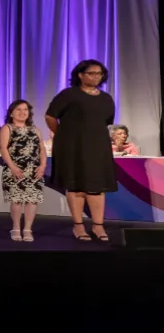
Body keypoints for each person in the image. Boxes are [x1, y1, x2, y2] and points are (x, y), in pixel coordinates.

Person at [46, 60, 117, 242]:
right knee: (76, 185)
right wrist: (63, 135)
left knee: (97, 186)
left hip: (97, 146)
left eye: (99, 73)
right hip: (72, 147)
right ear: (80, 75)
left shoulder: (106, 98)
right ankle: (78, 226)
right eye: (91, 73)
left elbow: (105, 121)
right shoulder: (69, 95)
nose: (96, 77)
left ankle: (98, 225)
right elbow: (51, 116)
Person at [0, 100, 46, 242]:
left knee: (32, 200)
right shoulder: (7, 128)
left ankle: (27, 229)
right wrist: (13, 167)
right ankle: (15, 228)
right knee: (17, 200)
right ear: (11, 112)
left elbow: (42, 149)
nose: (22, 112)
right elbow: (3, 148)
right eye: (18, 109)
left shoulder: (35, 129)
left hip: (34, 170)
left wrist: (42, 165)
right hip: (15, 170)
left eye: (25, 109)